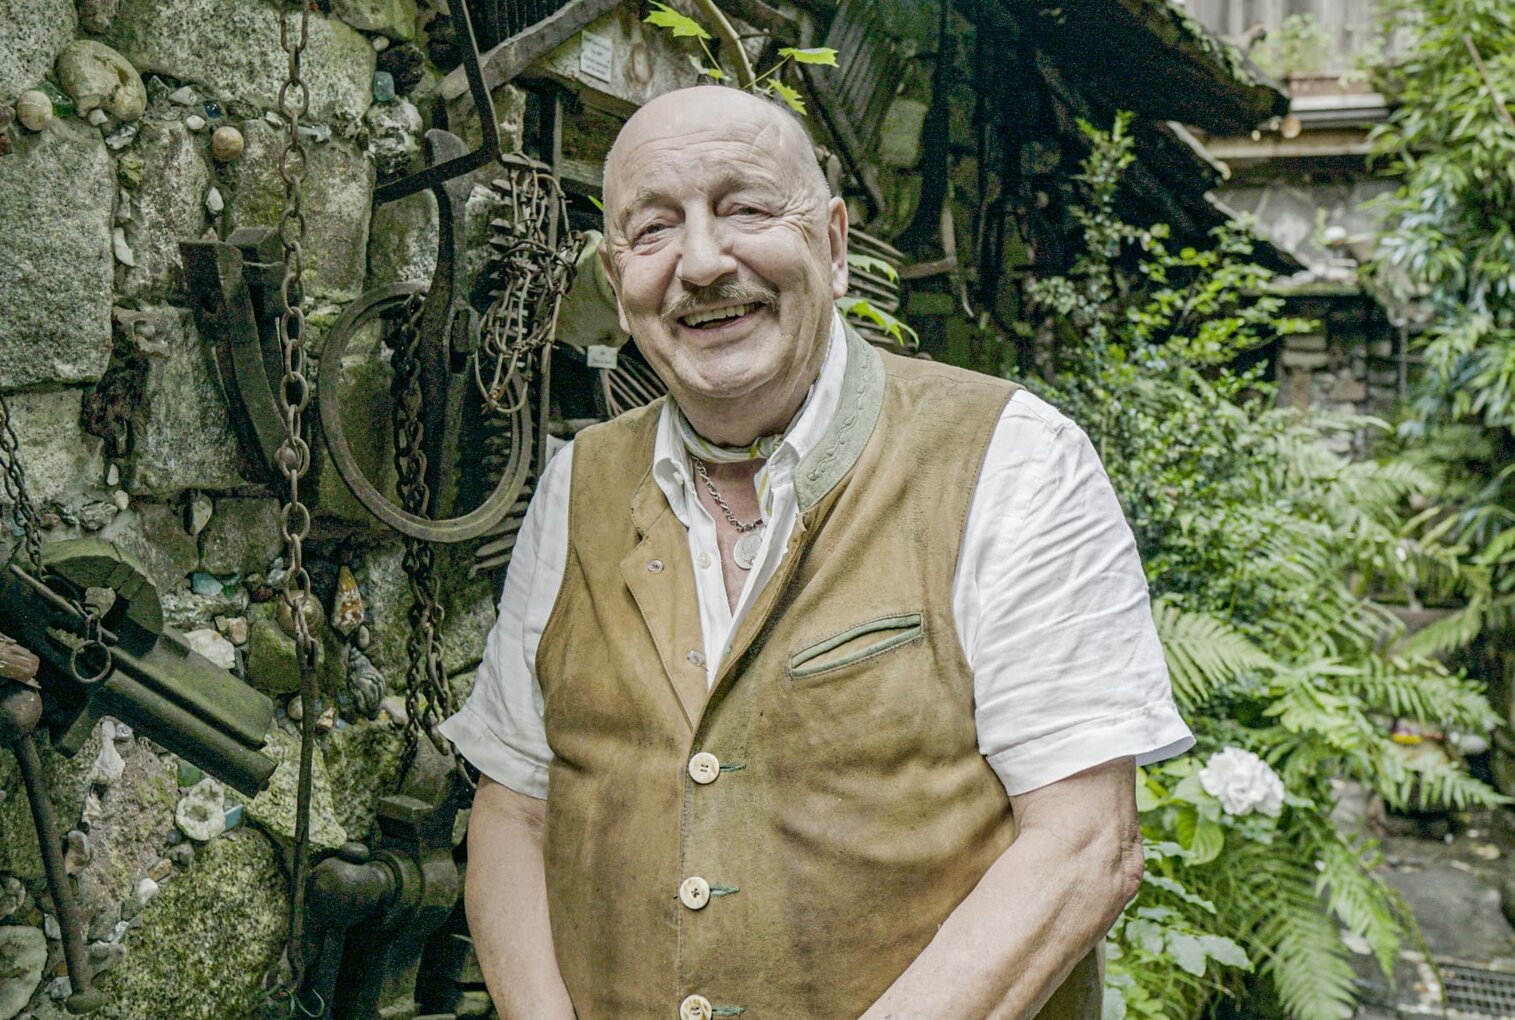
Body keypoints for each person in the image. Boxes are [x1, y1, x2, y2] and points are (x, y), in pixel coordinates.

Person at [438, 85, 1193, 1020]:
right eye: (654, 229)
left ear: (834, 247)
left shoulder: (1012, 459)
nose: (701, 262)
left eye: (746, 209)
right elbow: (515, 809)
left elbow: (1082, 846)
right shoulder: (576, 486)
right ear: (616, 278)